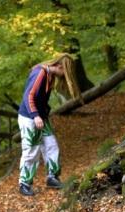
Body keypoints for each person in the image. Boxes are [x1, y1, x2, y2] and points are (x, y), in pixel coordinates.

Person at [17, 53, 81, 196]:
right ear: (58, 66)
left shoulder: (49, 75)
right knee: (31, 151)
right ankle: (24, 183)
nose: (64, 75)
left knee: (51, 145)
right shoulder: (40, 73)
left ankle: (52, 177)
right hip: (29, 117)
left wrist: (43, 114)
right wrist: (35, 116)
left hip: (41, 117)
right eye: (64, 71)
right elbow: (29, 96)